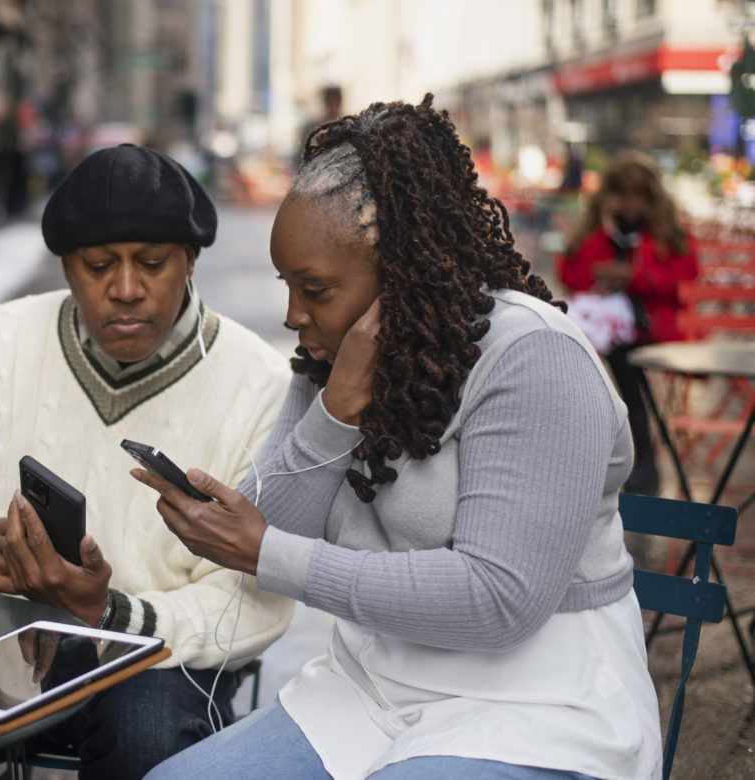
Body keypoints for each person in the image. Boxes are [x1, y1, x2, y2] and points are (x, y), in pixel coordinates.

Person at [137, 96, 662, 779]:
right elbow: (274, 527)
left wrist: (272, 552)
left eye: (315, 288)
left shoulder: (536, 359)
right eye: (288, 285)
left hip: (539, 706)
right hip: (371, 692)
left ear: (403, 272)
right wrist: (336, 411)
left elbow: (497, 599)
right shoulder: (333, 361)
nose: (293, 313)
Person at [0, 143, 294, 778]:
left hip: (162, 660)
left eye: (151, 264)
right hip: (1, 636)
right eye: (98, 266)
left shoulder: (258, 381)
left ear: (191, 260)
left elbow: (254, 603)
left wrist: (108, 616)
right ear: (66, 267)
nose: (125, 289)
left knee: (146, 734)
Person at [557, 151, 698, 495]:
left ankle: (639, 457)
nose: (630, 202)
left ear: (651, 197)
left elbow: (683, 282)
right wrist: (604, 228)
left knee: (621, 367)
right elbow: (574, 278)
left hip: (653, 329)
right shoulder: (597, 233)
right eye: (621, 192)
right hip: (609, 335)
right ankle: (625, 456)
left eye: (638, 194)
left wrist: (633, 277)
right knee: (581, 362)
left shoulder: (667, 234)